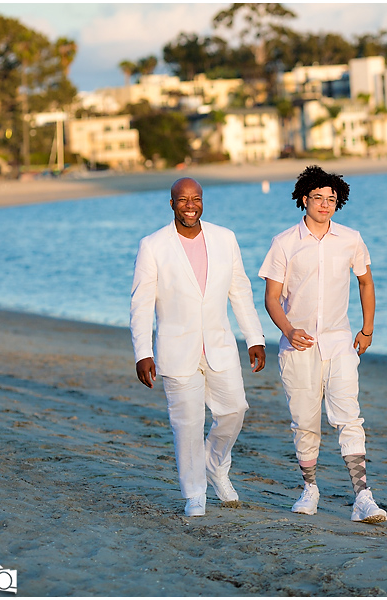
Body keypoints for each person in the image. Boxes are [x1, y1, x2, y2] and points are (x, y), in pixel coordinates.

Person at [130, 177, 267, 517]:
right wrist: (142, 352)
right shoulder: (153, 245)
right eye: (182, 200)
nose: (190, 205)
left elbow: (240, 291)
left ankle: (215, 463)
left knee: (235, 409)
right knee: (187, 424)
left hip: (219, 345)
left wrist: (255, 338)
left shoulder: (225, 238)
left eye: (196, 199)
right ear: (172, 203)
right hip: (176, 350)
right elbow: (141, 304)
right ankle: (195, 493)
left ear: (202, 201)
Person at [258, 165, 387, 524]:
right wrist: (287, 329)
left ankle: (362, 496)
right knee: (305, 421)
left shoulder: (350, 239)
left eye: (332, 199)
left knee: (349, 416)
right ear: (304, 199)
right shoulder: (284, 242)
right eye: (318, 198)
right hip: (297, 346)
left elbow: (366, 283)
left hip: (340, 342)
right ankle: (310, 488)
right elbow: (270, 297)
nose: (325, 204)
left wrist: (368, 329)